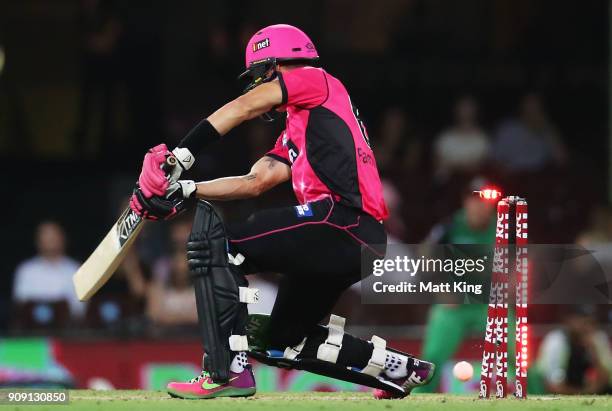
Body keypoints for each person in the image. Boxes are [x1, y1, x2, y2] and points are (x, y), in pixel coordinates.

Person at [129, 24, 435, 400]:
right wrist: (186, 189)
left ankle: (225, 372)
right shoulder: (301, 125)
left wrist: (181, 157)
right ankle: (401, 368)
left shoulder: (315, 79)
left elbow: (242, 107)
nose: (258, 86)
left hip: (342, 222)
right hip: (358, 240)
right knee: (283, 343)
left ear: (278, 65)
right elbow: (254, 181)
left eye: (260, 75)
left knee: (218, 247)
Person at [413, 178, 497, 393]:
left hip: (490, 305)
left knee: (521, 357)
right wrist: (439, 288)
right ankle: (418, 402)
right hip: (454, 305)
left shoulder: (503, 228)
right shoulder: (449, 227)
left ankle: (536, 398)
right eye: (473, 198)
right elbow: (424, 257)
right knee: (431, 358)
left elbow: (521, 264)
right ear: (465, 201)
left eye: (484, 199)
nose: (479, 205)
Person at [13, 221, 85, 319]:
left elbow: (81, 306)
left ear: (63, 238)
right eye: (46, 235)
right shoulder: (26, 270)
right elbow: (21, 303)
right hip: (33, 329)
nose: (51, 240)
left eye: (54, 236)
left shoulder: (75, 269)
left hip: (68, 328)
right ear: (37, 241)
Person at [535, 305, 612, 394]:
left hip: (585, 390)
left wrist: (594, 353)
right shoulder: (557, 341)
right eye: (580, 319)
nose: (585, 324)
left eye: (589, 320)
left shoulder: (597, 339)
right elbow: (553, 386)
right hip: (551, 392)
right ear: (568, 321)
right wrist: (585, 393)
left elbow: (607, 378)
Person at [491, 93, 567, 173]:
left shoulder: (546, 130)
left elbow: (562, 160)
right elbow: (494, 158)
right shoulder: (508, 128)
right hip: (513, 176)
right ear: (522, 108)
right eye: (529, 106)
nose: (532, 110)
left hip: (538, 177)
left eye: (536, 107)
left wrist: (548, 129)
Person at [433, 96, 490, 179]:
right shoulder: (445, 137)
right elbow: (437, 162)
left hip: (473, 182)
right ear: (456, 110)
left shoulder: (482, 138)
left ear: (475, 110)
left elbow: (481, 165)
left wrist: (453, 165)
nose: (466, 111)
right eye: (462, 107)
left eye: (469, 107)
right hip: (447, 182)